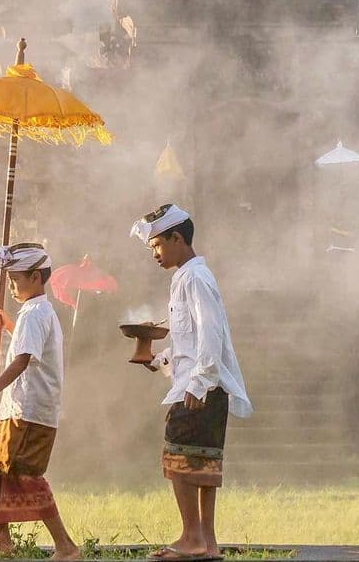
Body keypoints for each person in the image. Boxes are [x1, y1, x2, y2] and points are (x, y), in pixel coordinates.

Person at [130, 204, 253, 562]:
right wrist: (160, 360)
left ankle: (191, 538)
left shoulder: (196, 278)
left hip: (202, 387)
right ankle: (206, 542)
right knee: (200, 461)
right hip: (197, 382)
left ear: (177, 238)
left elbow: (212, 334)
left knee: (179, 457)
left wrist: (199, 383)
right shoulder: (184, 277)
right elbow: (190, 340)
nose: (154, 253)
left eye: (157, 246)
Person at [0, 243, 80, 560]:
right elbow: (29, 348)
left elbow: (23, 360)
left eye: (16, 278)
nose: (12, 285)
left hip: (27, 412)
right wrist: (8, 325)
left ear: (36, 277)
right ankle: (0, 537)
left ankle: (66, 546)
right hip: (22, 410)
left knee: (22, 476)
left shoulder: (35, 313)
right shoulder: (37, 313)